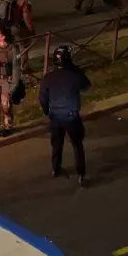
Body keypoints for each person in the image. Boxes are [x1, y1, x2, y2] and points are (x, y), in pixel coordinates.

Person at [38, 44, 91, 184]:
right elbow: (87, 86)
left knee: (56, 144)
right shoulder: (75, 75)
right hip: (71, 116)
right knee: (77, 145)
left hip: (55, 116)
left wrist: (46, 111)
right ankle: (81, 174)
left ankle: (56, 168)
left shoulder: (48, 77)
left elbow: (42, 97)